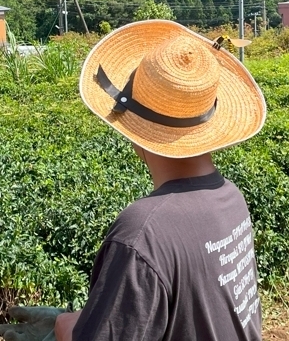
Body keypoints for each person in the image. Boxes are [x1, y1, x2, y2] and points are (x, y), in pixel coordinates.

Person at [7, 20, 267, 341]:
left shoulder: (143, 232)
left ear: (134, 133)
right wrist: (87, 318)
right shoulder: (230, 197)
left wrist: (64, 326)